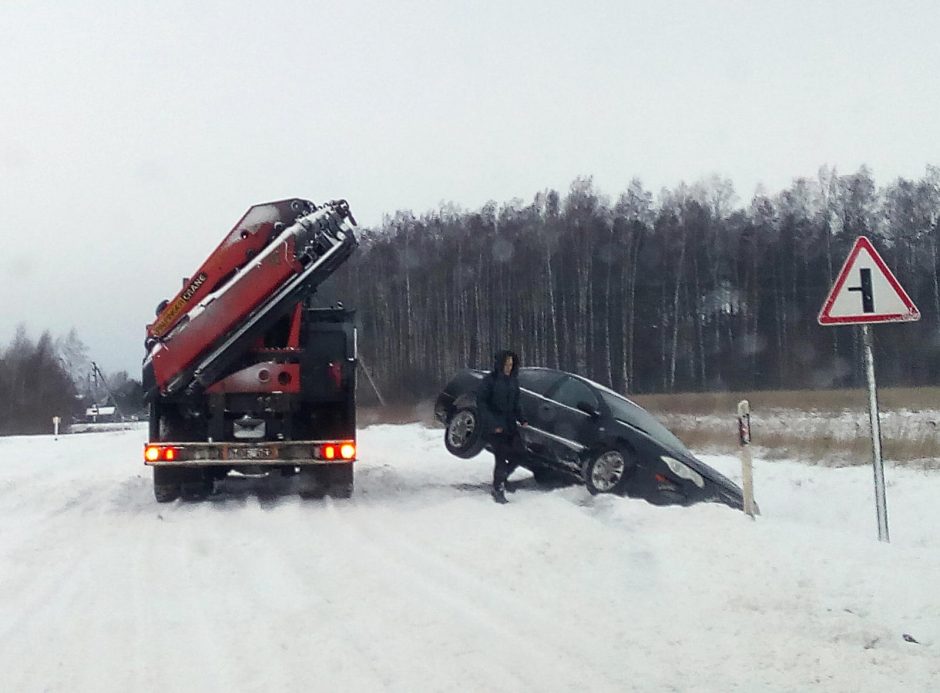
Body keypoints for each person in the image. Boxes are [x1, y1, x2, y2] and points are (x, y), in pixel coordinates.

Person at [477, 349, 527, 503]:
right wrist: (493, 424)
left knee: (520, 454)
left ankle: (503, 477)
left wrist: (522, 418)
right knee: (501, 456)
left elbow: (516, 402)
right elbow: (482, 403)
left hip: (510, 424)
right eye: (506, 364)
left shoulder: (513, 380)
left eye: (511, 364)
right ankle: (498, 489)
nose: (509, 367)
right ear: (500, 364)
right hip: (495, 426)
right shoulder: (489, 380)